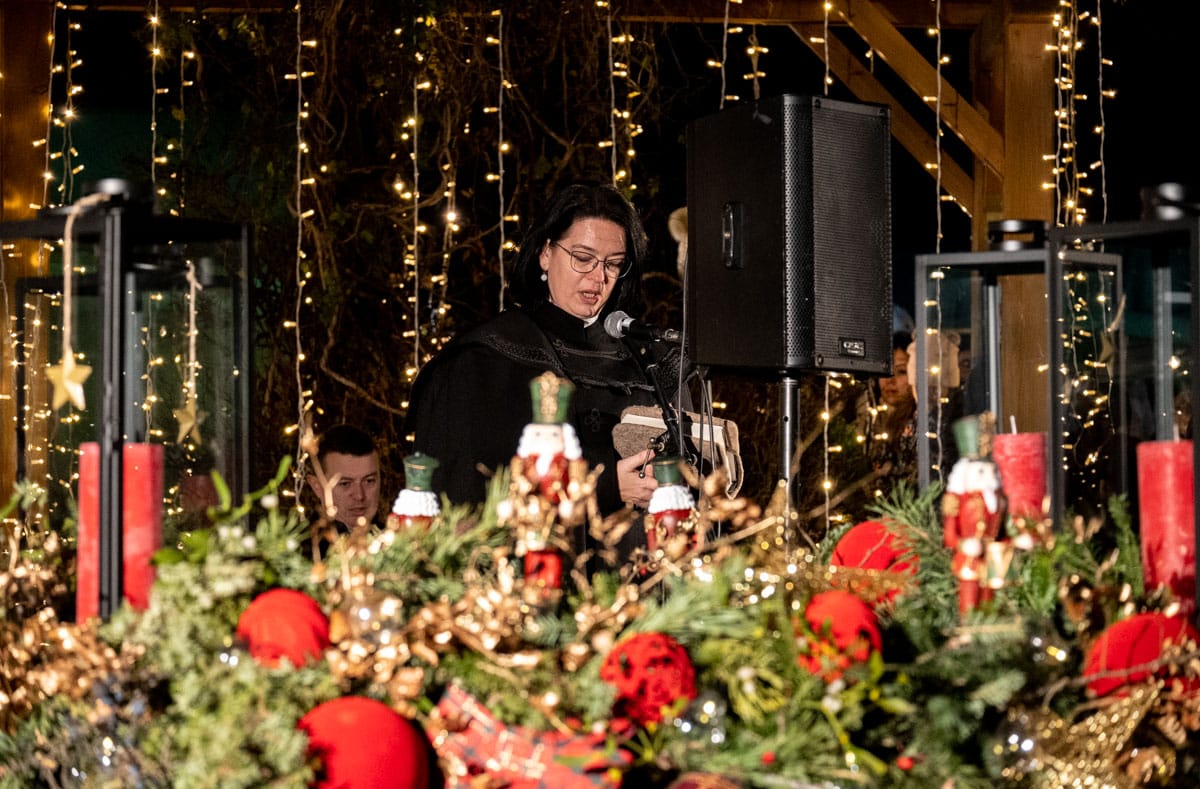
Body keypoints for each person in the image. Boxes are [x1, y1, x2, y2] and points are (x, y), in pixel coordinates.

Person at [406, 182, 690, 524]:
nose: (598, 277)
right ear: (545, 253)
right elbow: (467, 494)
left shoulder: (645, 359)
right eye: (582, 258)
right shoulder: (485, 359)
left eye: (613, 264)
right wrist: (605, 487)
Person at [305, 423, 382, 531]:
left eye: (369, 481)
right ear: (316, 486)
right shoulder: (294, 541)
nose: (359, 495)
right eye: (345, 484)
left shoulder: (400, 538)